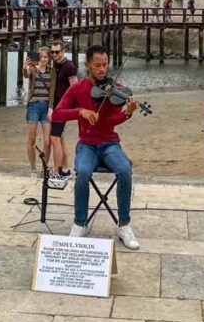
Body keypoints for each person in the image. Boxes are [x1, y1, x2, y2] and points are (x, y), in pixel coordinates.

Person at [53, 44, 140, 250]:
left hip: (110, 143)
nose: (102, 70)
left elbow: (110, 120)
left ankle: (124, 225)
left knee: (125, 170)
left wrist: (127, 112)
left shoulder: (113, 88)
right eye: (97, 65)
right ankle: (80, 223)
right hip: (87, 145)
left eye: (105, 65)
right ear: (88, 65)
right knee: (82, 172)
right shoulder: (77, 88)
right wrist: (80, 111)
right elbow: (56, 114)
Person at [23, 46, 54, 178]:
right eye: (41, 56)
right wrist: (25, 66)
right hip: (34, 105)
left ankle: (44, 168)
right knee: (31, 138)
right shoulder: (33, 70)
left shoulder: (52, 72)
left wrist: (51, 107)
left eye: (45, 57)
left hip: (46, 106)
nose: (43, 59)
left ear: (49, 58)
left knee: (47, 140)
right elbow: (26, 75)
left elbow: (52, 90)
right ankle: (33, 169)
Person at [49, 41, 78, 180]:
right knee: (60, 138)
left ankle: (57, 172)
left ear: (63, 51)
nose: (55, 55)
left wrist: (72, 107)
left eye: (57, 52)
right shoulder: (55, 65)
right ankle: (65, 169)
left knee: (54, 138)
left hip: (63, 108)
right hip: (55, 107)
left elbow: (75, 87)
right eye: (52, 52)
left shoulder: (69, 66)